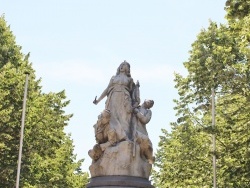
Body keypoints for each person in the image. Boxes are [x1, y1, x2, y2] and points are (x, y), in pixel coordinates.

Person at [93, 61, 134, 143]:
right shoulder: (113, 78)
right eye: (121, 65)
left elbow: (133, 93)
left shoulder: (129, 79)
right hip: (113, 98)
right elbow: (107, 89)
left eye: (124, 65)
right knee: (112, 117)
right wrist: (98, 100)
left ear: (128, 68)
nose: (122, 66)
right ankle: (113, 137)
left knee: (124, 118)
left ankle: (125, 138)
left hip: (124, 99)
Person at [133, 99, 155, 164]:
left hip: (141, 131)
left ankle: (149, 158)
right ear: (145, 100)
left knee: (147, 144)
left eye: (151, 104)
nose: (150, 103)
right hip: (132, 129)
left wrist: (137, 112)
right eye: (150, 101)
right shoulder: (136, 106)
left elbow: (145, 120)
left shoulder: (148, 112)